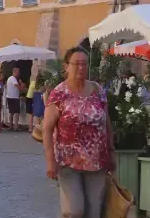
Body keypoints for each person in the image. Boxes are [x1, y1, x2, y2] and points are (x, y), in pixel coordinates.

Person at [43, 47, 116, 218]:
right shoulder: (59, 93)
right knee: (75, 210)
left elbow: (106, 123)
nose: (81, 68)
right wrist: (50, 162)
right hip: (68, 162)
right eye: (76, 64)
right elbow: (47, 129)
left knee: (94, 211)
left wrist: (111, 152)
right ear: (66, 66)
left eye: (84, 64)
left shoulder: (97, 91)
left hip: (97, 161)